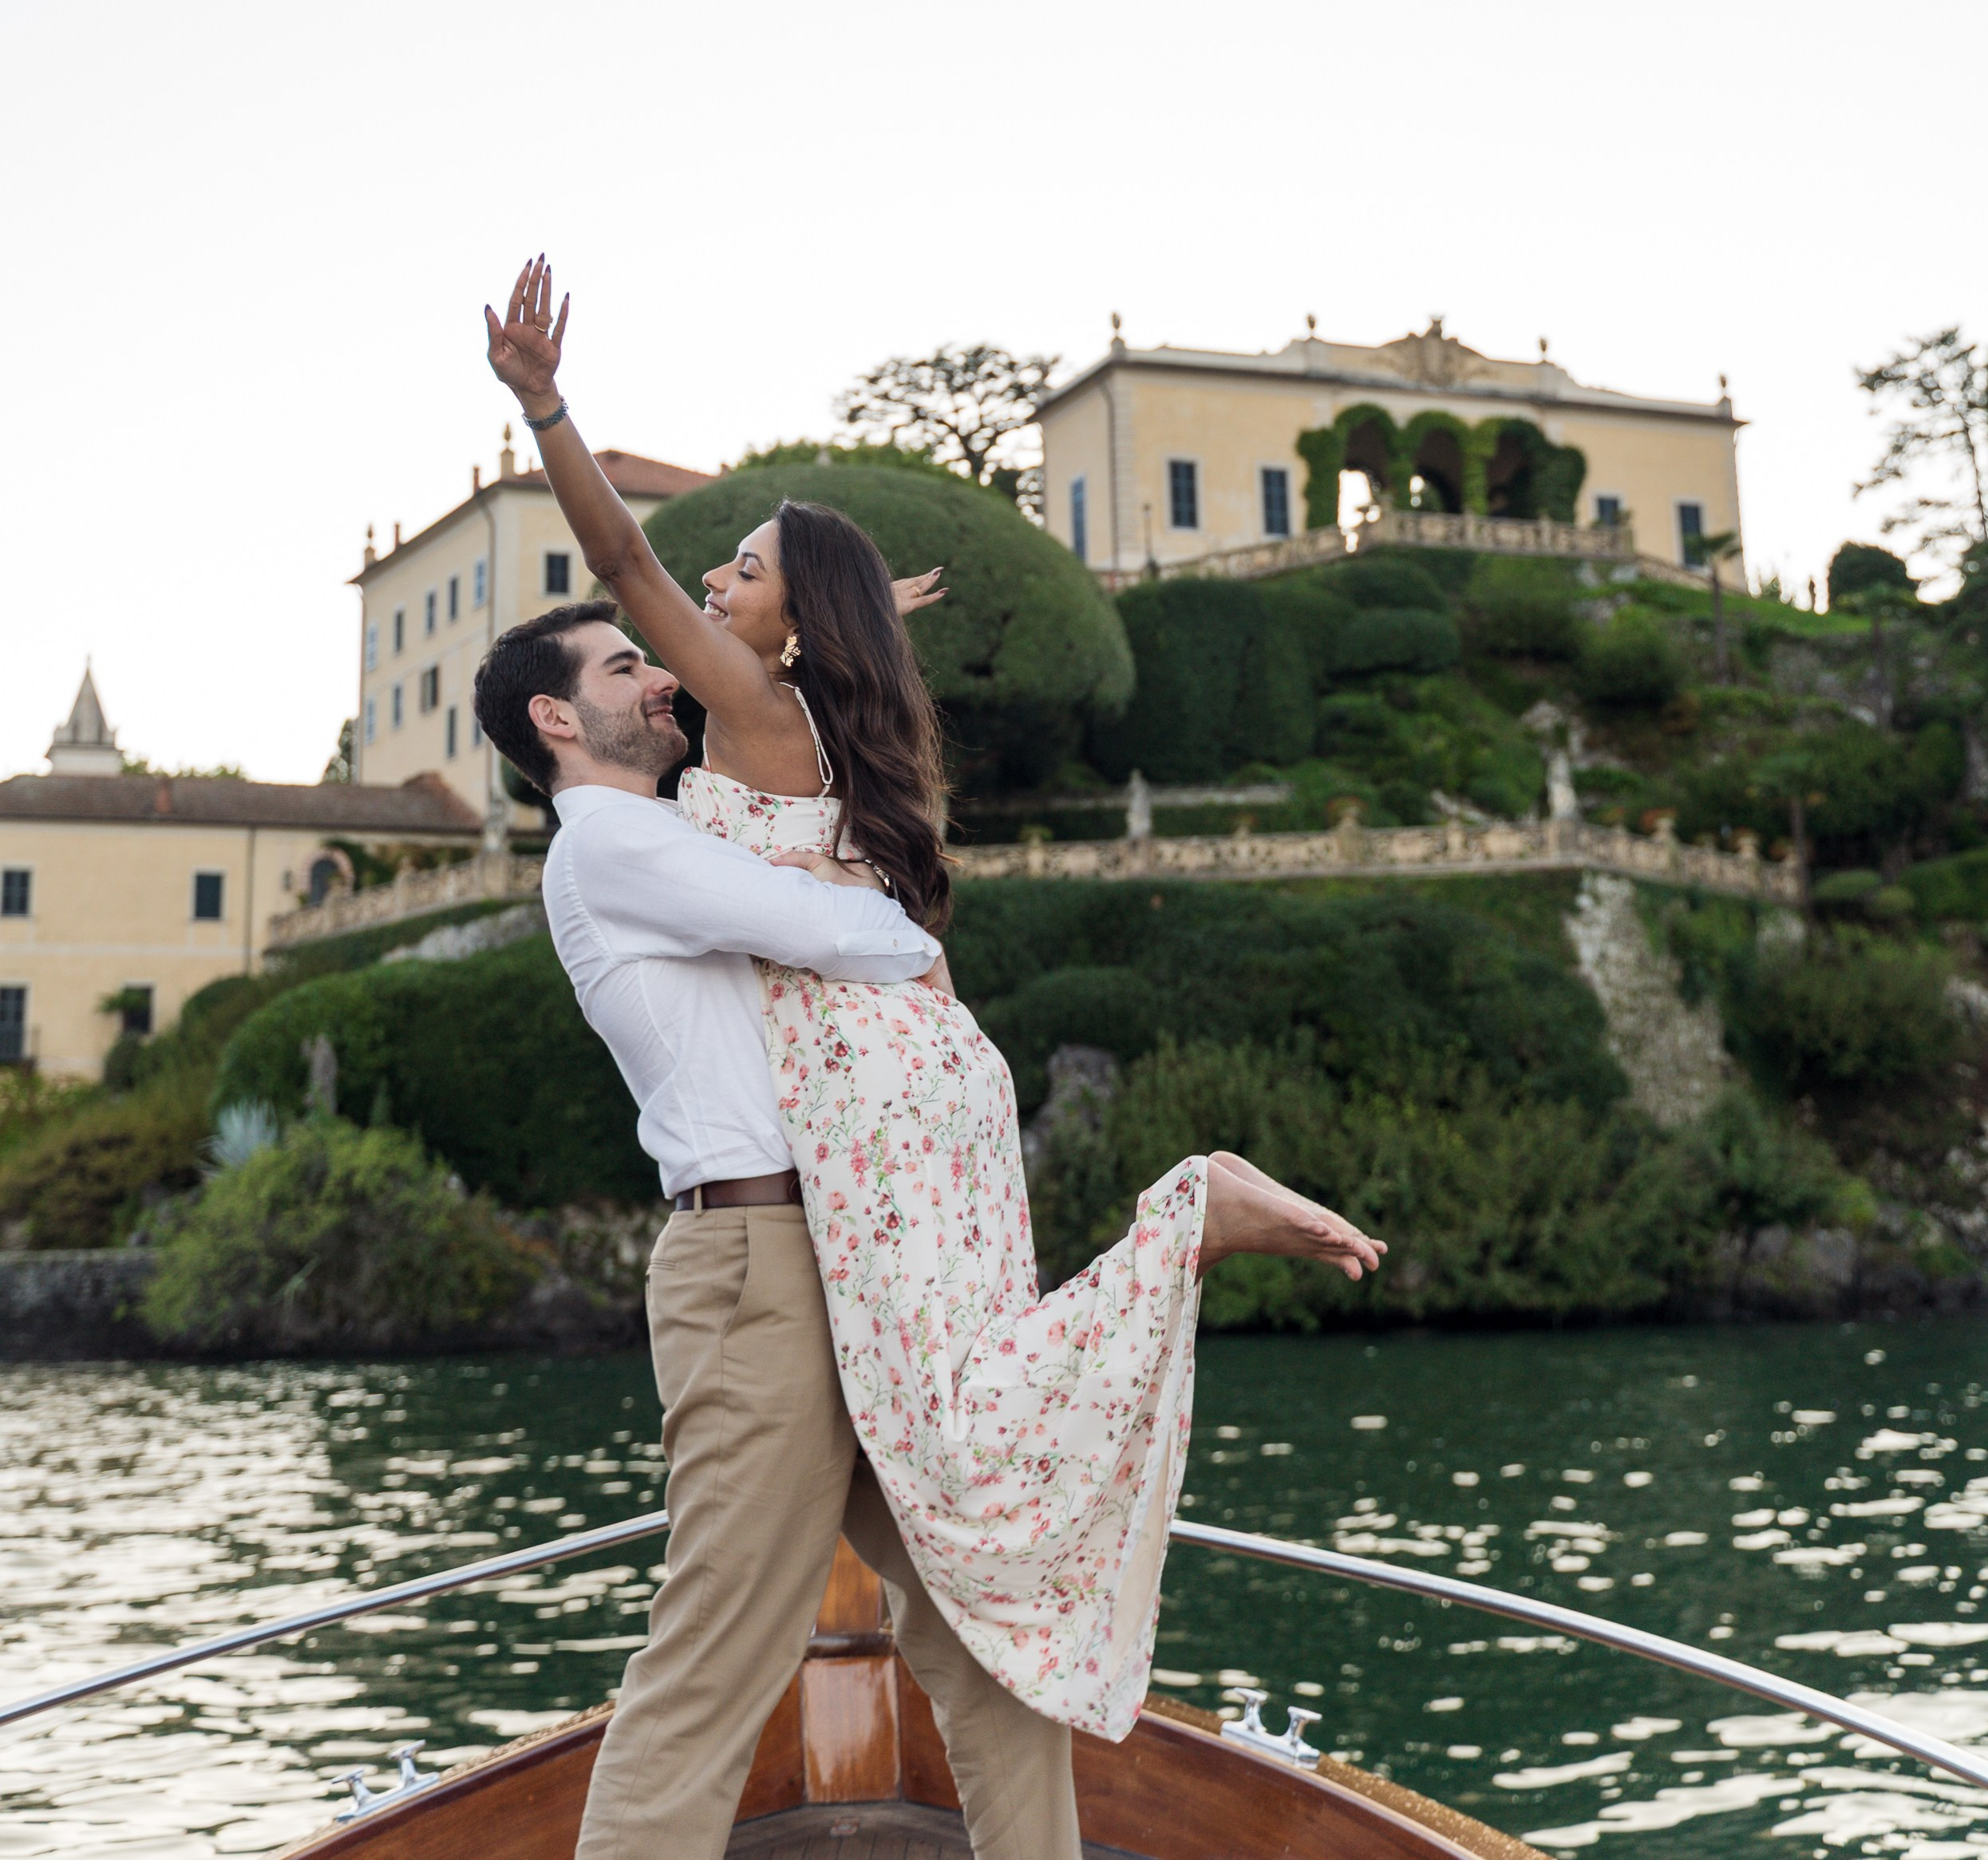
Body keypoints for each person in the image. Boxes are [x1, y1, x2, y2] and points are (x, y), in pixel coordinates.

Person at [483, 263, 1385, 1765]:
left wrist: (548, 410)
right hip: (916, 1086)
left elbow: (627, 561)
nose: (706, 594)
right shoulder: (815, 722)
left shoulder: (746, 730)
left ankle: (1187, 1214)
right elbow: (748, 646)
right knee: (964, 1436)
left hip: (864, 1096)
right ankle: (1179, 1235)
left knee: (935, 1443)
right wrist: (835, 622)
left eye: (747, 573)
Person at [470, 603, 1081, 1860]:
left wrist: (821, 635)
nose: (659, 684)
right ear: (552, 716)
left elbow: (793, 767)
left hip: (856, 1259)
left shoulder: (681, 830)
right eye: (627, 666)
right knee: (716, 1660)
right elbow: (828, 929)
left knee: (987, 1641)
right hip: (758, 1271)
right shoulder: (609, 847)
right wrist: (889, 920)